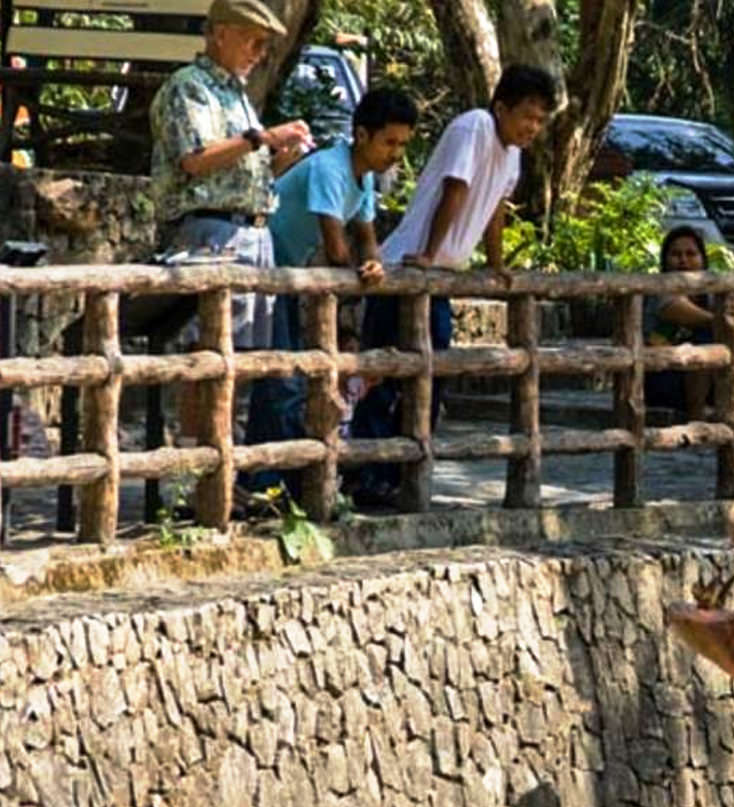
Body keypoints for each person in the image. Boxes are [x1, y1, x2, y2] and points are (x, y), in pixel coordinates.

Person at [348, 64, 559, 505]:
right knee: (385, 375)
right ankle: (364, 475)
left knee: (430, 376)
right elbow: (455, 189)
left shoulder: (513, 154)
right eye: (527, 116)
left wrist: (496, 262)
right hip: (409, 266)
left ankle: (401, 474)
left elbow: (496, 208)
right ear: (501, 108)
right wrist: (430, 251)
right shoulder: (475, 127)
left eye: (540, 120)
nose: (533, 127)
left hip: (439, 277)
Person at [241, 87, 418, 496]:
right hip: (267, 266)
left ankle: (264, 479)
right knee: (282, 381)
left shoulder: (364, 178)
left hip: (286, 272)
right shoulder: (330, 168)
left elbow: (366, 234)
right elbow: (336, 245)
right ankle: (271, 482)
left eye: (403, 144)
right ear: (362, 134)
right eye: (389, 142)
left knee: (281, 380)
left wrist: (373, 263)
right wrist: (358, 275)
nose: (396, 153)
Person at [149, 0, 311, 359]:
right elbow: (194, 159)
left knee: (243, 358)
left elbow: (242, 175)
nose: (260, 53)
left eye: (265, 44)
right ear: (221, 35)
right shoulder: (189, 86)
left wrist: (284, 157)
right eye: (253, 41)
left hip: (251, 234)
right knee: (206, 355)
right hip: (212, 234)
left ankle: (224, 419)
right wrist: (261, 138)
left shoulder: (237, 94)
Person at [643, 225, 734, 419]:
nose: (683, 260)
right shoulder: (660, 289)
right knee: (707, 338)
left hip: (706, 381)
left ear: (702, 259)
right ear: (665, 260)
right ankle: (696, 414)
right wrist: (721, 323)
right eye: (676, 254)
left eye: (691, 254)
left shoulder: (710, 293)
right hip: (662, 375)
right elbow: (675, 308)